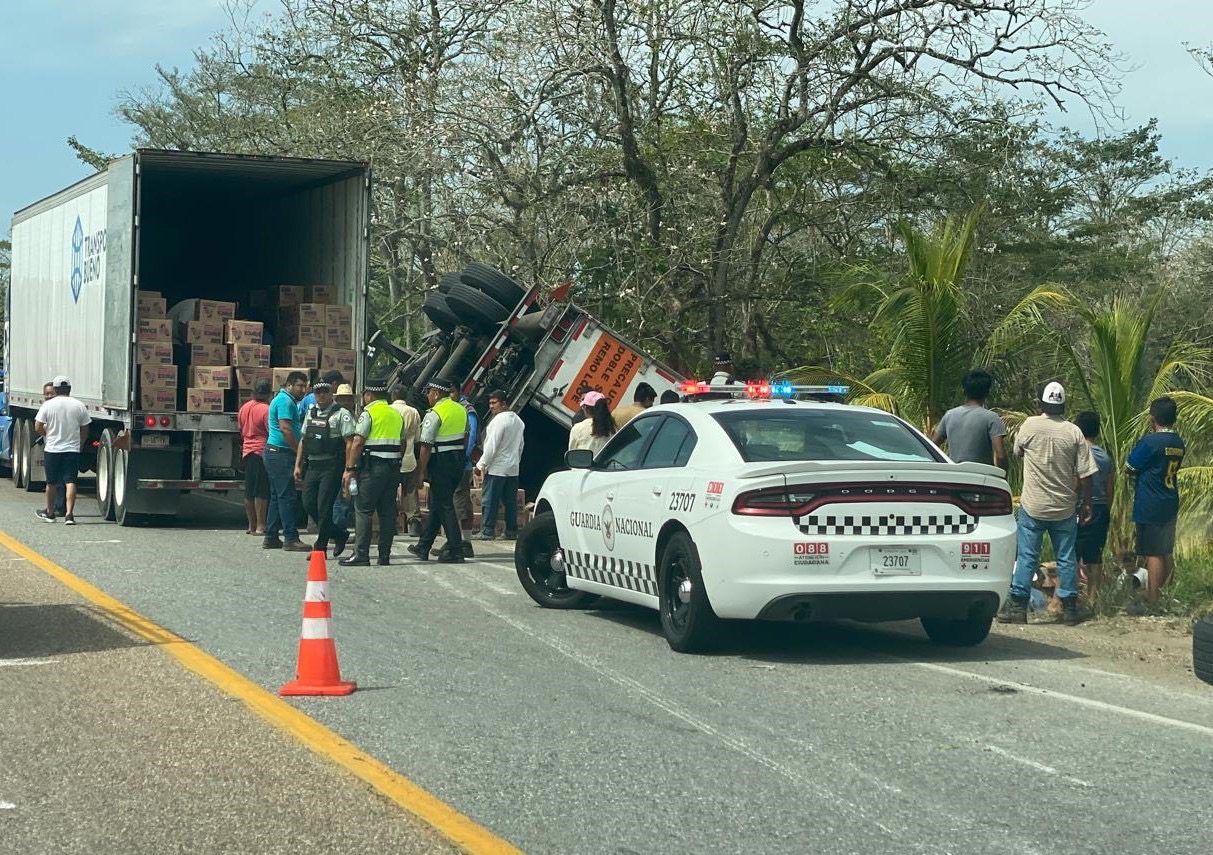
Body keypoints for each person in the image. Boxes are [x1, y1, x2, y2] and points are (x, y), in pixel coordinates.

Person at [997, 382, 1097, 626]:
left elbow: (1018, 451)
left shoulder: (1029, 425)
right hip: (1063, 507)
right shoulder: (1074, 432)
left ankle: (1018, 606)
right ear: (1063, 405)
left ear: (1041, 403)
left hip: (1034, 506)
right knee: (1066, 557)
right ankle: (1070, 609)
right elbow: (1086, 475)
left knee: (1028, 556)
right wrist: (1087, 503)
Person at [1126, 396, 1186, 612]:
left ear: (1153, 418)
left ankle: (1153, 600)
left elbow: (1130, 466)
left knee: (1153, 552)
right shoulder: (1177, 442)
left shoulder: (1150, 442)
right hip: (1169, 500)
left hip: (1150, 503)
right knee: (1165, 550)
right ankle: (1167, 594)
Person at [339, 379, 404, 567]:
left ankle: (361, 554)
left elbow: (358, 442)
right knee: (387, 512)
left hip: (373, 468)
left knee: (363, 509)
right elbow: (403, 443)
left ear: (370, 395)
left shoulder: (369, 413)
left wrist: (350, 468)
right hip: (393, 468)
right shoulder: (395, 414)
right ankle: (384, 555)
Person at [406, 378, 468, 563]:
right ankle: (423, 547)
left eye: (429, 392)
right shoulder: (461, 409)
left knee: (445, 505)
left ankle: (457, 550)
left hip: (441, 462)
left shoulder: (434, 413)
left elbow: (426, 446)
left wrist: (420, 472)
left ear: (436, 393)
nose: (428, 396)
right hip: (457, 460)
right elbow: (466, 435)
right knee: (438, 505)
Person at [295, 380, 355, 556]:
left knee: (324, 507)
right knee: (308, 503)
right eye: (317, 391)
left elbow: (350, 442)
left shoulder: (341, 414)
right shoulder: (311, 412)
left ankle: (320, 548)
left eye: (324, 391)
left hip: (331, 466)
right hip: (313, 465)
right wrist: (297, 465)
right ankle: (339, 534)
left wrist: (348, 469)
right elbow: (303, 440)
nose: (321, 395)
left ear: (331, 394)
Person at [263, 371, 310, 552]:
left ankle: (271, 536)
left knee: (277, 496)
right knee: (287, 496)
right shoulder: (285, 401)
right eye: (299, 386)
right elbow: (285, 428)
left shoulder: (285, 400)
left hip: (275, 453)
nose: (303, 390)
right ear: (289, 385)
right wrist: (299, 450)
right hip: (280, 453)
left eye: (305, 386)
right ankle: (290, 537)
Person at [33, 376, 90, 525]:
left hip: (52, 448)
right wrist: (80, 443)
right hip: (72, 449)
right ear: (69, 389)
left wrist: (48, 434)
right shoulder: (79, 405)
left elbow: (38, 427)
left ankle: (51, 513)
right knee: (70, 481)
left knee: (51, 482)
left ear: (56, 389)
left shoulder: (48, 405)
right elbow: (85, 429)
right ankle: (69, 515)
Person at [1073, 410, 1114, 603]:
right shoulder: (1104, 457)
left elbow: (1074, 483)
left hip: (1078, 508)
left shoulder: (1076, 454)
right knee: (1095, 556)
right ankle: (1093, 599)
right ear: (1096, 432)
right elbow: (1109, 488)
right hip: (1099, 509)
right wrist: (1106, 509)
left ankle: (1065, 598)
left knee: (1071, 554)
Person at [473, 390, 526, 540]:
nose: (491, 406)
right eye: (490, 403)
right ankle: (511, 531)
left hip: (497, 468)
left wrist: (480, 466)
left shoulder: (498, 421)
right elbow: (521, 446)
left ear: (504, 404)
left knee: (490, 500)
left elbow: (491, 447)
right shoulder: (518, 421)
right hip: (512, 468)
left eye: (494, 403)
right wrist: (516, 461)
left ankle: (488, 531)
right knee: (510, 502)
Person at [932, 369, 1008, 470]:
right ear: (987, 392)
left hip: (955, 476)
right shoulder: (991, 417)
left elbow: (933, 445)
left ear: (964, 391)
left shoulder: (950, 415)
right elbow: (1000, 455)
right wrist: (1003, 476)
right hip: (981, 478)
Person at [237, 378, 272, 535]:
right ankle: (260, 526)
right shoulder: (266, 409)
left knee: (249, 490)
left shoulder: (244, 408)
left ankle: (251, 526)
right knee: (261, 490)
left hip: (247, 451)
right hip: (261, 451)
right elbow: (271, 431)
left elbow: (240, 428)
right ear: (269, 394)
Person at [449, 381, 479, 556]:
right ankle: (455, 542)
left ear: (459, 392)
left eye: (452, 392)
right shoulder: (452, 409)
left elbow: (472, 435)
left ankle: (465, 543)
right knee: (453, 504)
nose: (450, 395)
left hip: (462, 464)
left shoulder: (467, 410)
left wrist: (462, 458)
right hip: (452, 464)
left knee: (461, 503)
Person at [390, 385, 422, 537]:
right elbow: (417, 439)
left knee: (389, 492)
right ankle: (413, 523)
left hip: (391, 459)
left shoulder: (389, 411)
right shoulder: (413, 412)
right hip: (409, 458)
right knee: (410, 492)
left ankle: (391, 523)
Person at [41, 382, 67, 517]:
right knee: (54, 480)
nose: (49, 396)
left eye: (52, 393)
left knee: (59, 479)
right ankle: (55, 507)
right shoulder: (46, 408)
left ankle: (59, 507)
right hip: (51, 446)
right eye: (46, 394)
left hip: (60, 448)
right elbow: (39, 426)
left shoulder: (61, 408)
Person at [568, 391, 616, 456]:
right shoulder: (613, 428)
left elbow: (571, 454)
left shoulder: (578, 428)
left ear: (585, 407)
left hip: (582, 465)